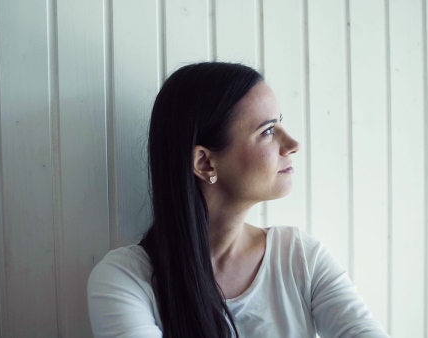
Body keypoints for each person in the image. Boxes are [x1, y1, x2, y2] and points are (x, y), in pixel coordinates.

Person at [87, 62, 390, 338]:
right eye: (268, 131)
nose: (293, 144)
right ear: (205, 163)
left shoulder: (301, 258)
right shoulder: (126, 280)